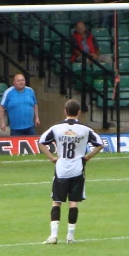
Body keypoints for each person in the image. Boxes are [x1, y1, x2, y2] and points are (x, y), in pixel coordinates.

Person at [38, 99, 104, 244]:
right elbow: (100, 144)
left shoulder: (56, 128)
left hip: (61, 169)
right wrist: (87, 157)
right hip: (77, 169)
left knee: (56, 201)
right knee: (73, 203)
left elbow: (41, 141)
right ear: (79, 112)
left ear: (65, 112)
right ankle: (70, 237)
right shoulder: (85, 129)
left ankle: (53, 236)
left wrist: (51, 158)